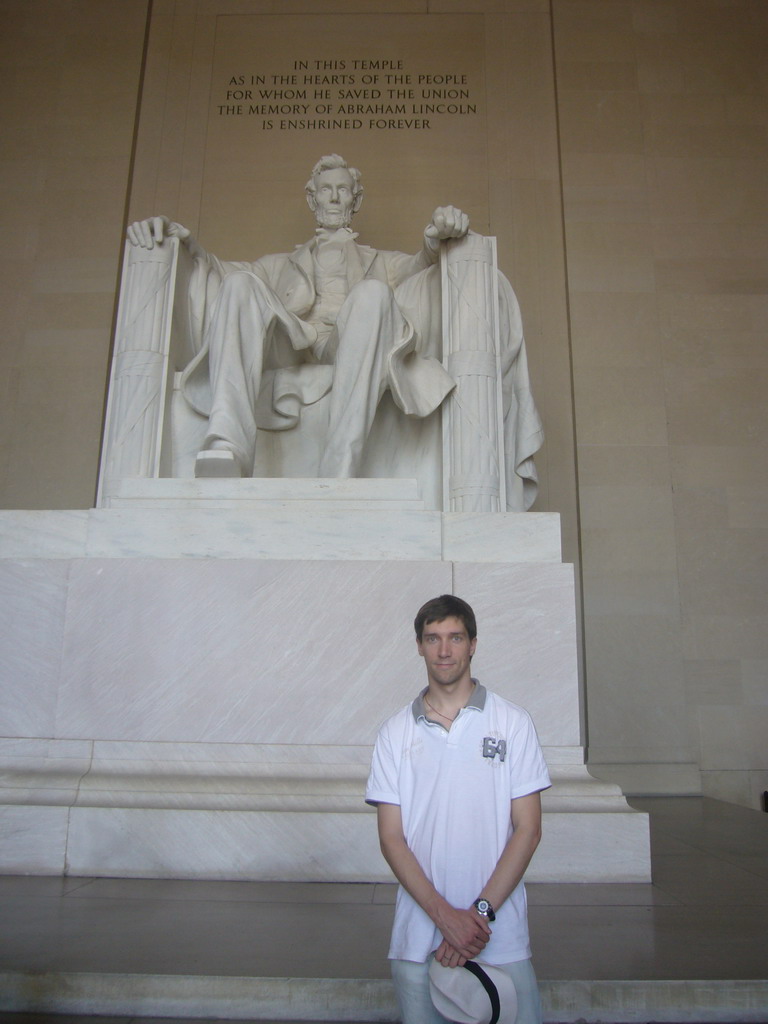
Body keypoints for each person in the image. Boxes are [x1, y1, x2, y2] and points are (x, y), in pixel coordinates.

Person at [126, 155, 543, 504]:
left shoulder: (381, 260)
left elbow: (421, 266)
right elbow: (218, 274)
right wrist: (186, 246)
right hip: (292, 340)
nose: (334, 196)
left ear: (356, 199)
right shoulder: (276, 265)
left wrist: (439, 239)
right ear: (311, 198)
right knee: (238, 285)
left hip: (349, 345)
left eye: (343, 190)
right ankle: (227, 445)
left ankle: (339, 468)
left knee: (375, 295)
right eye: (326, 189)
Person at [365, 595, 551, 1024]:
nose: (444, 650)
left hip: (498, 939)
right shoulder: (394, 733)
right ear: (419, 646)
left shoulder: (512, 723)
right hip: (418, 940)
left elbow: (528, 830)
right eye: (433, 639)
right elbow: (391, 839)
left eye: (455, 638)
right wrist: (445, 918)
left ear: (473, 644)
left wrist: (477, 916)